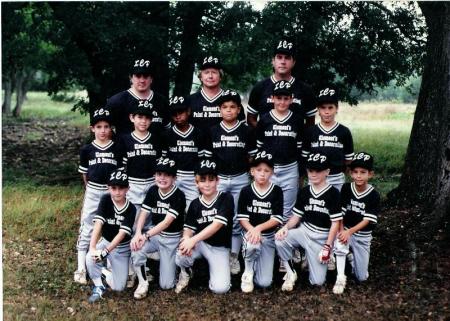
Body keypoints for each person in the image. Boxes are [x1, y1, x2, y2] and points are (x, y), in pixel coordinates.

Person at [206, 90, 257, 275]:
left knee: (237, 218)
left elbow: (252, 157)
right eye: (225, 107)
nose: (229, 110)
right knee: (215, 216)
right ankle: (215, 254)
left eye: (233, 107)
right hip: (218, 179)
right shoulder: (212, 130)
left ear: (238, 109)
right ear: (219, 110)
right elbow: (207, 159)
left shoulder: (246, 130)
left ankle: (234, 256)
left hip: (239, 177)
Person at [275, 153, 342, 291]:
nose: (313, 174)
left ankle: (313, 259)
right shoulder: (305, 191)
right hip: (305, 231)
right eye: (311, 170)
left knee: (317, 282)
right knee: (280, 238)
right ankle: (290, 272)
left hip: (321, 237)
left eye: (318, 170)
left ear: (327, 172)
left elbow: (335, 223)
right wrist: (285, 227)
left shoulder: (333, 193)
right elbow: (296, 217)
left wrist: (328, 246)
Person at [74, 108, 123, 285]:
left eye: (106, 126)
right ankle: (80, 267)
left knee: (112, 226)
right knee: (87, 225)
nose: (103, 130)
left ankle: (109, 263)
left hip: (112, 192)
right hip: (94, 190)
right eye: (99, 126)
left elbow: (120, 173)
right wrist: (90, 190)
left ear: (111, 128)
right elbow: (85, 175)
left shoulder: (117, 148)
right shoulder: (87, 150)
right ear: (92, 128)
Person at [174, 160, 234, 294]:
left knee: (220, 289)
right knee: (181, 252)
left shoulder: (226, 198)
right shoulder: (195, 203)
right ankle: (186, 271)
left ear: (217, 181)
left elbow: (216, 225)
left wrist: (192, 240)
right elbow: (188, 229)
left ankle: (207, 268)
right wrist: (186, 239)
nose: (207, 184)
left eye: (211, 179)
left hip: (219, 247)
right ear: (196, 183)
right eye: (202, 180)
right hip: (200, 244)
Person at [130, 157, 186, 299]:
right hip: (155, 236)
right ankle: (143, 282)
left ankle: (182, 267)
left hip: (171, 239)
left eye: (167, 175)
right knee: (137, 246)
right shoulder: (153, 190)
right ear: (154, 175)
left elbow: (166, 223)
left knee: (166, 285)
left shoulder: (179, 195)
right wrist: (138, 233)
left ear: (174, 177)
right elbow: (143, 213)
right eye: (159, 174)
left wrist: (146, 235)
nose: (162, 178)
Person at [333, 152, 380, 294]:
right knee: (340, 242)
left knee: (361, 277)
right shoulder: (346, 188)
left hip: (362, 236)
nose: (359, 176)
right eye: (355, 172)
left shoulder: (374, 194)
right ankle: (340, 277)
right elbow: (340, 213)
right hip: (346, 230)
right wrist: (342, 231)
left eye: (363, 172)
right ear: (350, 173)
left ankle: (351, 256)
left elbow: (367, 220)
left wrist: (349, 232)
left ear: (370, 174)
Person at [86, 170, 136, 303]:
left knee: (119, 287)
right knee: (90, 258)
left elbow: (122, 234)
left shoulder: (131, 208)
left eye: (121, 188)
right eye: (113, 188)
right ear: (109, 188)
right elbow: (98, 224)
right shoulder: (106, 199)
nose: (117, 192)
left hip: (122, 248)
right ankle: (98, 285)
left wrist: (105, 252)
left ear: (128, 189)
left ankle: (104, 270)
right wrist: (92, 247)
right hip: (106, 241)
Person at [255, 80, 302, 224]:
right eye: (279, 98)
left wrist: (300, 173)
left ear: (291, 99)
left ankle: (285, 243)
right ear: (272, 98)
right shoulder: (264, 119)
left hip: (290, 169)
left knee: (288, 211)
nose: (282, 102)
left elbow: (300, 149)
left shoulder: (297, 120)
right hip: (270, 170)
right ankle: (266, 241)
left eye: (286, 98)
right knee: (267, 206)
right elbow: (259, 148)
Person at [238, 151, 283, 292]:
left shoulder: (276, 191)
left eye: (266, 170)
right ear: (252, 171)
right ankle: (248, 270)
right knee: (252, 244)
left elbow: (276, 218)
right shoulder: (245, 191)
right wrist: (253, 230)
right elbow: (242, 218)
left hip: (268, 237)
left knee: (264, 283)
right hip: (249, 234)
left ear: (272, 173)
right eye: (258, 170)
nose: (262, 174)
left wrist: (259, 228)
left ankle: (257, 261)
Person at [247, 39, 316, 130]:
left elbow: (310, 123)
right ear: (273, 61)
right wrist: (265, 134)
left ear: (293, 62)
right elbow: (250, 119)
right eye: (279, 57)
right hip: (266, 143)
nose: (283, 61)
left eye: (287, 57)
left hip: (295, 143)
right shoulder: (260, 88)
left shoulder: (305, 90)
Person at [302, 87, 354, 191]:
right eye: (323, 108)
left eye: (330, 108)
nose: (327, 112)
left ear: (337, 109)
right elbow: (305, 158)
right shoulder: (310, 131)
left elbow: (349, 160)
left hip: (336, 179)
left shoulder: (344, 131)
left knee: (335, 206)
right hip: (315, 178)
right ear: (318, 110)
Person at [163, 95, 207, 209]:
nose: (178, 116)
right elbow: (164, 159)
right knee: (169, 208)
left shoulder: (198, 133)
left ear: (188, 111)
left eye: (181, 112)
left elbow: (203, 159)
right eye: (174, 113)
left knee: (193, 207)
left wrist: (199, 177)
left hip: (191, 177)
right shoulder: (167, 134)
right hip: (173, 176)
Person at [106, 58, 169, 137]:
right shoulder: (116, 101)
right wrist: (118, 144)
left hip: (156, 148)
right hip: (125, 149)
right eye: (138, 76)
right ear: (131, 78)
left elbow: (168, 129)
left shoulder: (161, 101)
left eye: (145, 76)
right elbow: (105, 128)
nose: (142, 80)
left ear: (151, 79)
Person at [186, 56, 245, 133]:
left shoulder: (232, 99)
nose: (210, 76)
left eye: (214, 72)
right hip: (197, 144)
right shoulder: (190, 100)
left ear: (220, 76)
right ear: (200, 77)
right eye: (206, 72)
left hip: (224, 144)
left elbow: (242, 130)